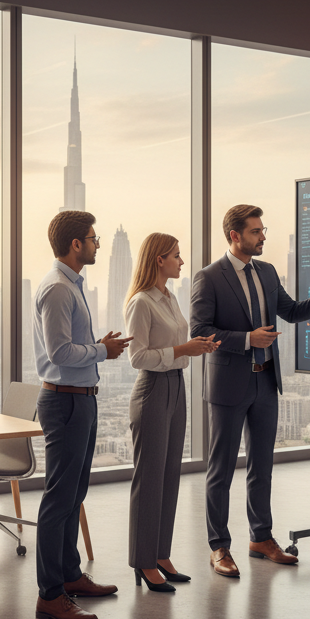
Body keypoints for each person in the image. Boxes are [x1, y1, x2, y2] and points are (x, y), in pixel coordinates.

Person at [190, 204, 310, 577]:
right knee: (221, 470)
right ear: (235, 236)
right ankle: (219, 547)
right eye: (256, 231)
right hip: (229, 385)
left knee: (262, 468)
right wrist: (247, 339)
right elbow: (199, 331)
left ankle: (261, 538)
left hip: (265, 381)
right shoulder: (209, 277)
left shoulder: (266, 271)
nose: (263, 236)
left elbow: (292, 311)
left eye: (263, 230)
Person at [32, 210, 132, 619]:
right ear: (76, 245)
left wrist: (95, 347)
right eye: (92, 238)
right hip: (66, 401)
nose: (96, 244)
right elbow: (59, 353)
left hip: (81, 399)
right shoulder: (58, 289)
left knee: (74, 495)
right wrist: (101, 351)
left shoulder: (71, 285)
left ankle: (70, 575)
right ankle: (50, 595)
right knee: (58, 499)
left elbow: (70, 346)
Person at [124, 234, 220, 592]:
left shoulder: (170, 297)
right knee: (148, 480)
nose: (182, 262)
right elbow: (138, 357)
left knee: (169, 476)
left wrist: (196, 348)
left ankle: (161, 554)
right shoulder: (141, 303)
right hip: (152, 389)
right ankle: (143, 562)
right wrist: (182, 348)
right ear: (159, 259)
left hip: (176, 387)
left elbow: (176, 345)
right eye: (177, 256)